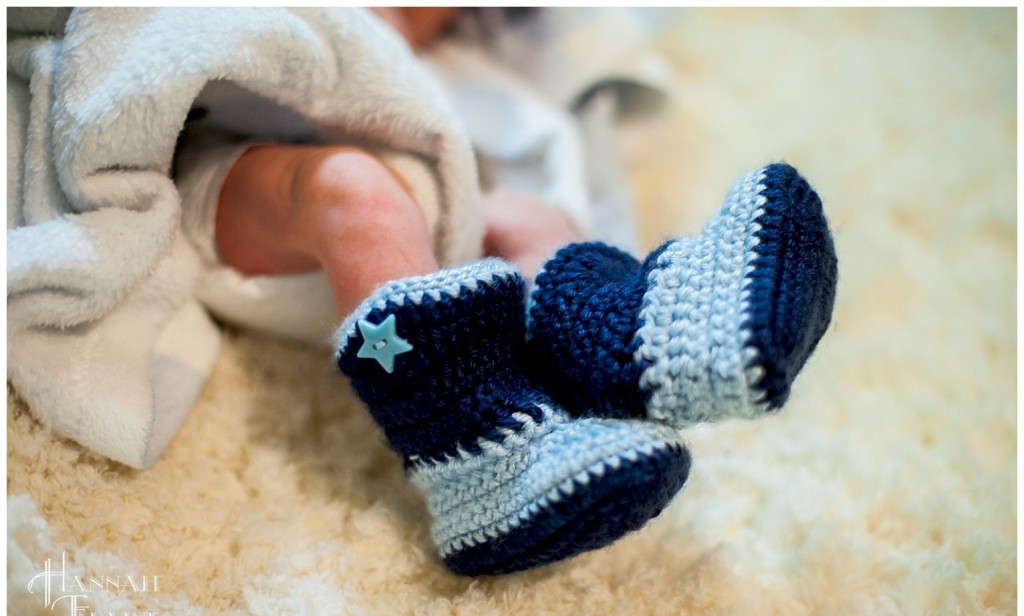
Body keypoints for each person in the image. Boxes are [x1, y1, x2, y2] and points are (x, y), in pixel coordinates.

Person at [171, 8, 838, 576]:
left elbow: (529, 131)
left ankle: (639, 345)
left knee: (531, 218)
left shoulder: (457, 65)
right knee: (354, 193)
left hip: (425, 227)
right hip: (235, 178)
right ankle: (471, 450)